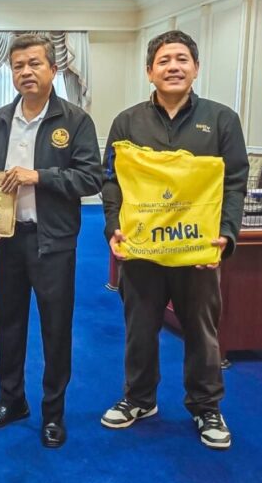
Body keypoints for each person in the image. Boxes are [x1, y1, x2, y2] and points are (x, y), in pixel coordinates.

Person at [101, 30, 249, 449]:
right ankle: (139, 399)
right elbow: (110, 181)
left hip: (196, 252)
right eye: (164, 60)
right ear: (149, 71)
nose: (173, 67)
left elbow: (234, 183)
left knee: (202, 333)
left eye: (182, 59)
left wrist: (226, 234)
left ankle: (206, 407)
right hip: (143, 252)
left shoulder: (221, 120)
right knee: (139, 329)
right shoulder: (127, 122)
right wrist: (113, 227)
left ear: (196, 68)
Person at [0, 34, 103, 448]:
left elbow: (91, 178)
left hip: (54, 243)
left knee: (55, 329)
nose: (26, 72)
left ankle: (53, 413)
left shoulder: (75, 120)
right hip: (9, 241)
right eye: (18, 66)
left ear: (53, 69)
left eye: (34, 64)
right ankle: (11, 401)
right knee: (8, 325)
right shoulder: (0, 119)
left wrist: (39, 176)